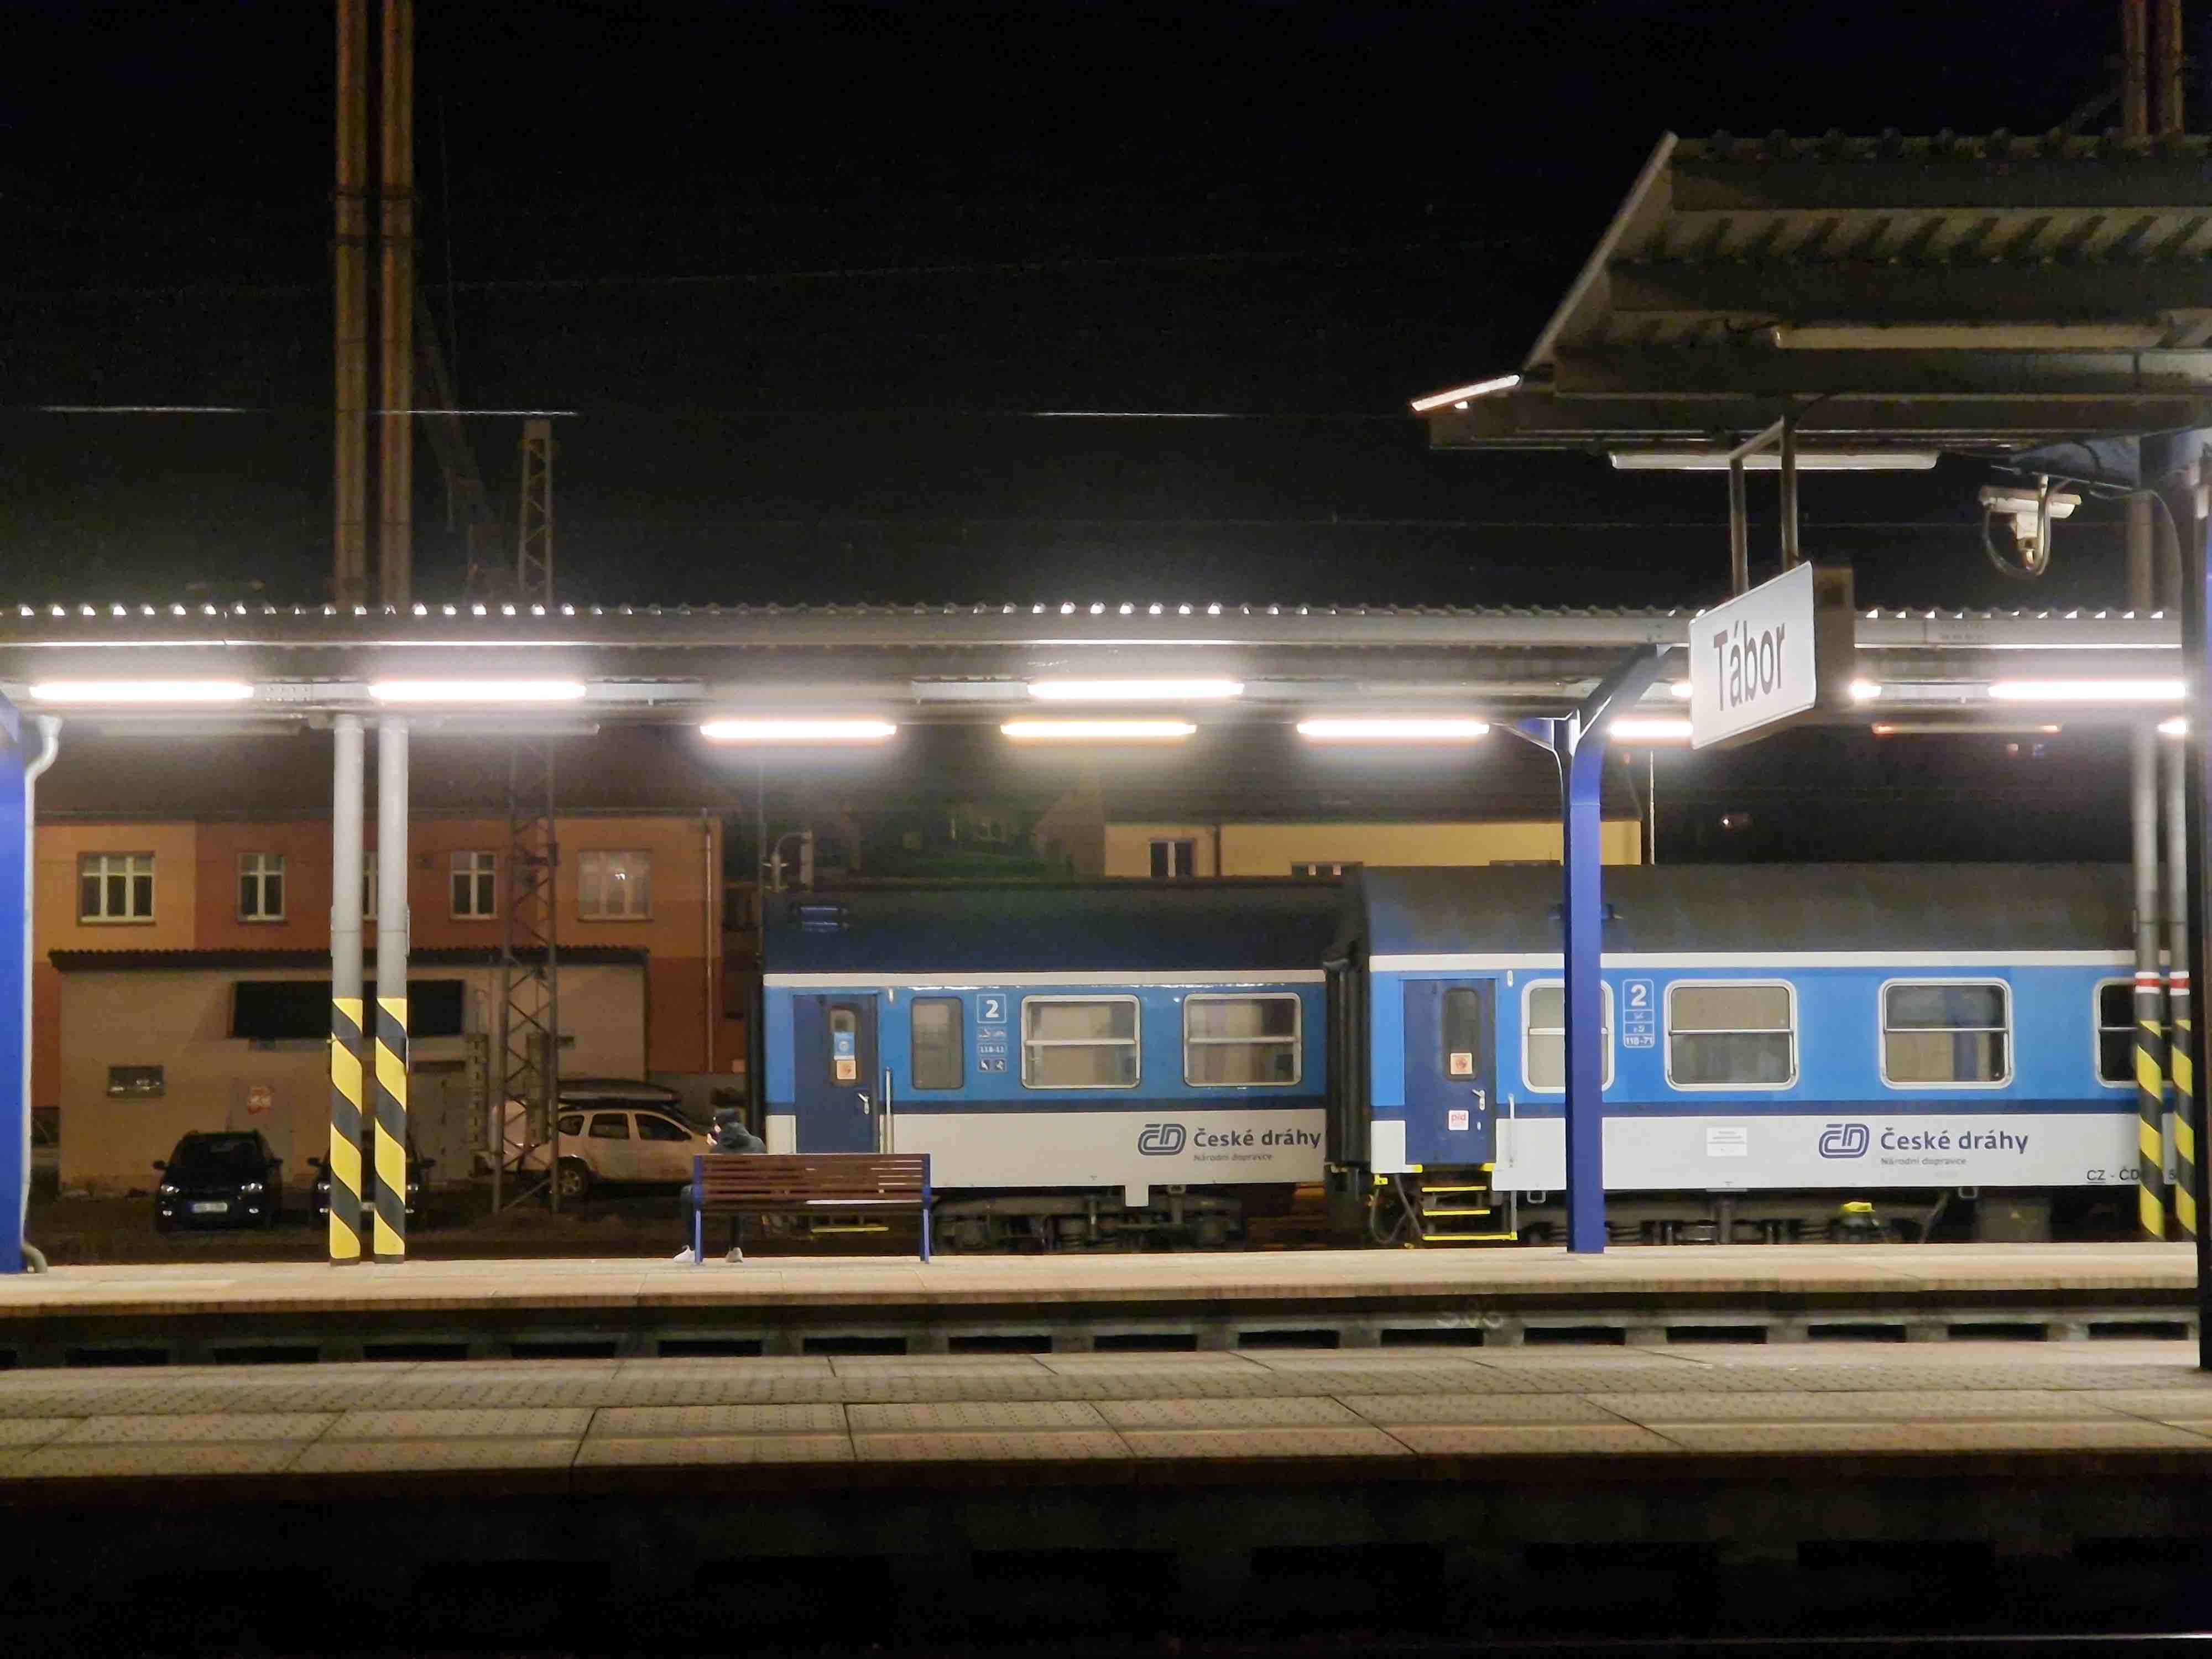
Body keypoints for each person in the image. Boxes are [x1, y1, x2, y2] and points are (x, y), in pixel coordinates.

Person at [678, 1109, 765, 1262]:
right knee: (735, 1193)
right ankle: (735, 1249)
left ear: (720, 1127)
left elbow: (708, 1178)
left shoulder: (717, 1149)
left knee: (687, 1192)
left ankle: (693, 1249)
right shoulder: (758, 1143)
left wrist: (714, 1147)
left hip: (723, 1194)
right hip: (751, 1194)